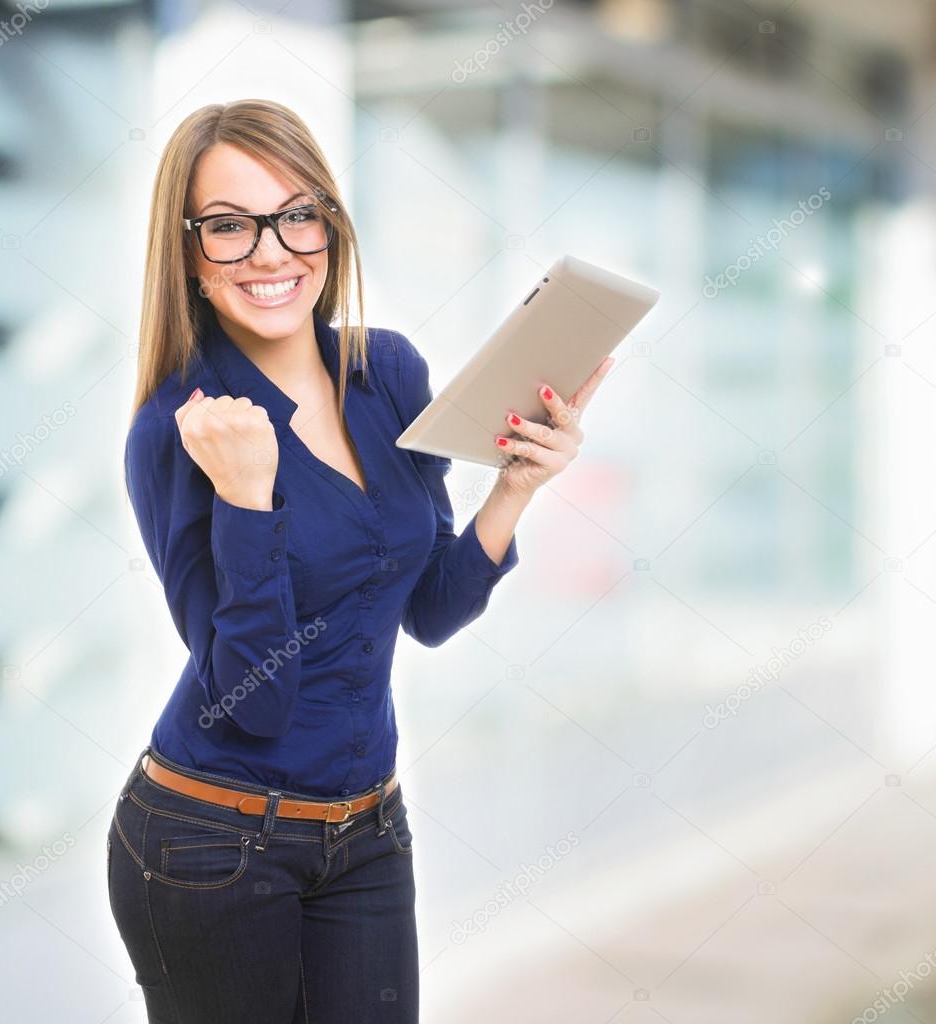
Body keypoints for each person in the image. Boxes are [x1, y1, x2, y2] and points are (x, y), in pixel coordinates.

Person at [107, 98, 611, 1023]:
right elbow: (252, 701)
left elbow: (431, 611)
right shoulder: (178, 431)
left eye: (297, 214)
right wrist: (247, 498)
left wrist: (515, 486)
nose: (270, 251)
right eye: (229, 226)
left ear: (330, 228)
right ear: (188, 251)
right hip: (211, 843)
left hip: (367, 829)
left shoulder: (388, 372)